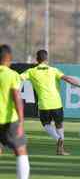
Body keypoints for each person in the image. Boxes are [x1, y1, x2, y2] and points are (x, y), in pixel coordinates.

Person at [20, 49, 80, 155]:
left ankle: (57, 139)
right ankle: (61, 147)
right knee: (59, 124)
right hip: (56, 103)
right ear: (47, 59)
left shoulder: (31, 72)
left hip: (44, 104)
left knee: (46, 124)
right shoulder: (53, 70)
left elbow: (18, 79)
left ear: (37, 59)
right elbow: (67, 79)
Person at [0, 44, 30, 179]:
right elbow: (17, 98)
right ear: (8, 58)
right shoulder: (12, 75)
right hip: (10, 120)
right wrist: (21, 122)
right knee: (21, 150)